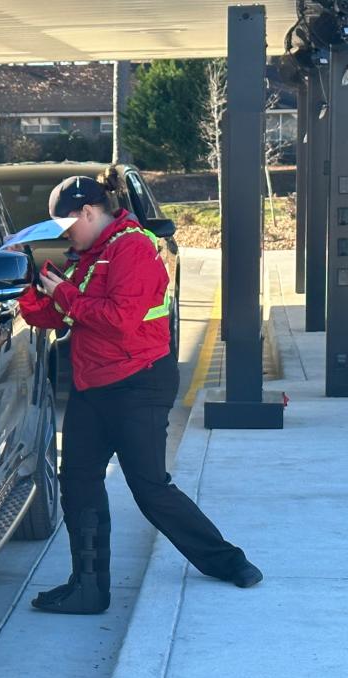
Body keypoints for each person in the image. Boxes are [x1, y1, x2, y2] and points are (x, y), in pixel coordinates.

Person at [17, 168, 262, 615]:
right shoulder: (90, 254)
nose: (65, 237)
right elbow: (59, 318)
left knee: (149, 487)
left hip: (138, 382)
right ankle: (88, 587)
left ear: (88, 212)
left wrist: (67, 294)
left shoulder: (133, 248)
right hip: (94, 384)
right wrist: (29, 289)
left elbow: (118, 319)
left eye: (66, 226)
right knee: (77, 483)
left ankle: (229, 562)